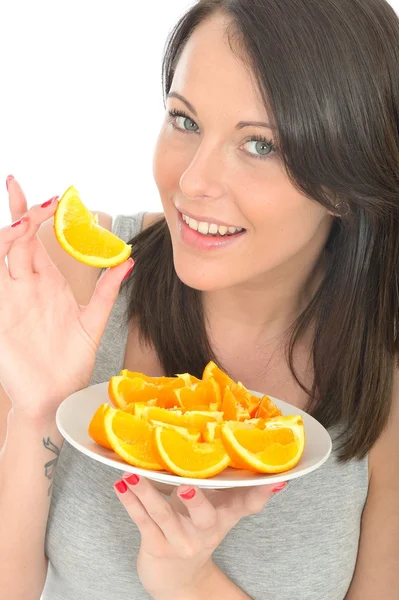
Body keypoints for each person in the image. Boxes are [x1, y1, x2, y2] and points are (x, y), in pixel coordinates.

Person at [1, 0, 399, 598]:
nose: (191, 184)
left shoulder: (385, 366)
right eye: (185, 121)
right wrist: (34, 413)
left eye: (260, 144)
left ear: (347, 178)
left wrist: (188, 581)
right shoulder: (74, 280)